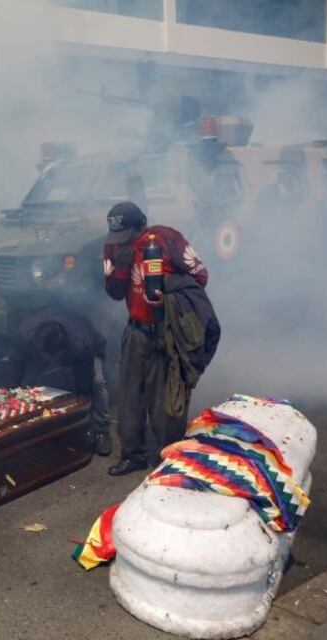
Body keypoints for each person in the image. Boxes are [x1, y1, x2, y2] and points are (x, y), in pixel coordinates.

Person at [102, 201, 208, 476]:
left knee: (166, 404)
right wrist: (122, 267)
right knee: (129, 399)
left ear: (142, 225)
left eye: (128, 235)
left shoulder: (167, 239)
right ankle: (133, 455)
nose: (124, 242)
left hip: (166, 333)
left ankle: (167, 460)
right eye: (118, 236)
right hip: (135, 331)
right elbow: (114, 293)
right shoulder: (114, 247)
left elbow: (200, 277)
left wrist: (167, 290)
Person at [4, 309, 112, 456]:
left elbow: (84, 382)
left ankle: (101, 430)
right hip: (42, 347)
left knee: (97, 383)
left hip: (93, 349)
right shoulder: (24, 335)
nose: (49, 360)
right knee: (30, 384)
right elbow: (15, 364)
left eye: (52, 356)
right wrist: (14, 393)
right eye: (46, 355)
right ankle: (38, 428)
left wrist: (82, 410)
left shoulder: (79, 344)